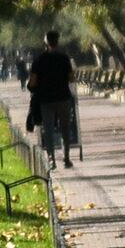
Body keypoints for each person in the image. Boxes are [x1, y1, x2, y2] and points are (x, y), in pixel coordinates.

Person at [28, 30, 76, 169]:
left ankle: (51, 159)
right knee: (65, 128)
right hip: (63, 98)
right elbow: (71, 78)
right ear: (57, 41)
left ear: (45, 42)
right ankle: (66, 158)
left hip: (46, 100)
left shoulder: (39, 60)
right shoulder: (64, 58)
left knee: (48, 129)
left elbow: (33, 82)